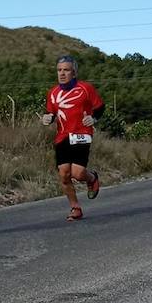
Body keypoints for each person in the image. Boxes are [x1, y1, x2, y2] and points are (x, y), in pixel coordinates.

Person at [42, 56, 104, 220]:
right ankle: (75, 208)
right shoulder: (53, 93)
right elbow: (51, 112)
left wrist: (94, 118)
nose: (62, 74)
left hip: (81, 134)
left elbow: (99, 107)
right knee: (64, 174)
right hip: (62, 137)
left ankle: (92, 178)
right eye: (59, 70)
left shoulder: (85, 88)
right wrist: (47, 118)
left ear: (74, 72)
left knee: (77, 173)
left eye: (66, 70)